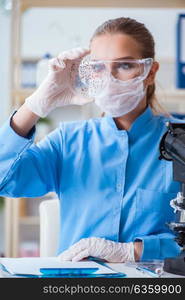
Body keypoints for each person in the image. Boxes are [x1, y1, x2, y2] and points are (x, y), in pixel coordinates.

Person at [0, 17, 181, 263]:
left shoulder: (178, 142)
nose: (110, 78)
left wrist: (134, 251)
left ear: (150, 72)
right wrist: (34, 105)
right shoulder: (68, 142)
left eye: (125, 66)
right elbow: (5, 181)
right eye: (98, 67)